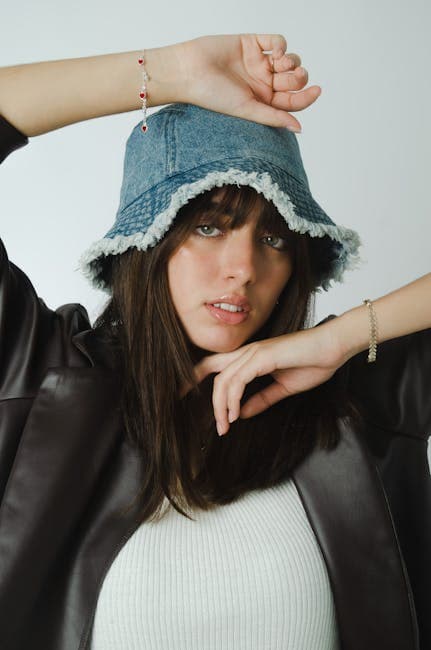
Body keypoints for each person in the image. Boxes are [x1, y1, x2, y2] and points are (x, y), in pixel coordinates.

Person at [0, 33, 430, 650]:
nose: (245, 267)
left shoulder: (358, 399)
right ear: (146, 243)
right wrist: (165, 72)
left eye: (276, 238)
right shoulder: (42, 379)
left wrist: (336, 340)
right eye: (208, 226)